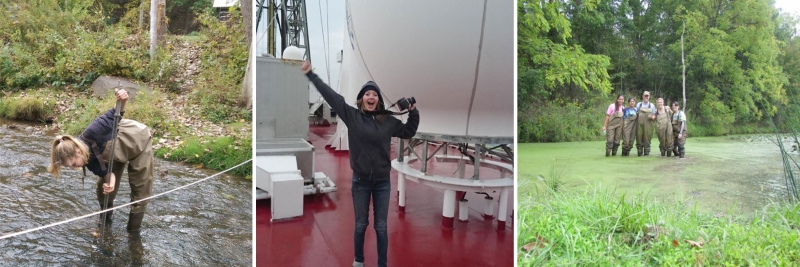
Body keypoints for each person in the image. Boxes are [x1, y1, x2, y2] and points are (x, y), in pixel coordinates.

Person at [301, 61, 420, 267]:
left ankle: (382, 264)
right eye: (367, 94)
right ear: (362, 99)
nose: (371, 97)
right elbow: (332, 97)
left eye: (374, 94)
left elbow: (408, 131)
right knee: (360, 224)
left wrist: (413, 111)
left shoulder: (388, 121)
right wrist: (311, 75)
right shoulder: (353, 116)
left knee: (381, 226)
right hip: (361, 182)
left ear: (378, 100)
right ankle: (359, 261)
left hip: (382, 182)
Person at [48, 89, 154, 233]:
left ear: (78, 151)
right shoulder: (88, 161)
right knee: (103, 191)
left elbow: (117, 113)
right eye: (69, 167)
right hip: (114, 155)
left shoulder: (94, 131)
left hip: (138, 142)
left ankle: (133, 233)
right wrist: (111, 183)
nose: (74, 168)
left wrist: (122, 99)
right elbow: (107, 173)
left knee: (140, 191)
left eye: (73, 164)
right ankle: (106, 224)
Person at [635, 91, 657, 156]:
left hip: (648, 125)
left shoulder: (652, 105)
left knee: (647, 138)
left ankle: (646, 151)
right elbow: (636, 114)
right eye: (645, 96)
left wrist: (652, 117)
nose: (646, 97)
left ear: (649, 97)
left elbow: (654, 116)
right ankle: (639, 151)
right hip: (639, 125)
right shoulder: (638, 105)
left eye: (647, 96)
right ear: (642, 96)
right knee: (639, 137)